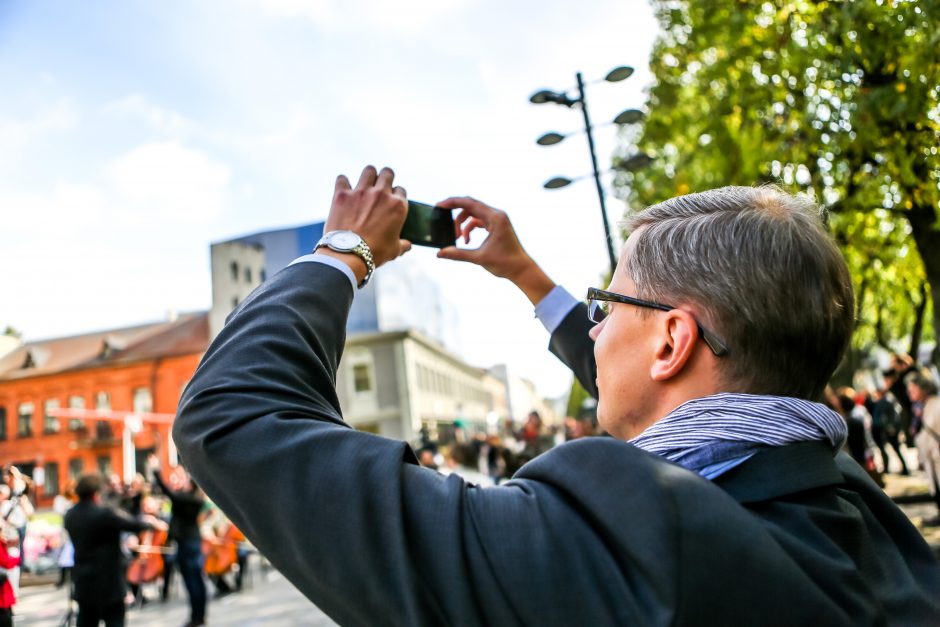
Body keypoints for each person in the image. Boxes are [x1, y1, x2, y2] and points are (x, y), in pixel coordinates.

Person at [173, 167, 940, 625]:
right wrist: (527, 277)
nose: (595, 330)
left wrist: (343, 253)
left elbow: (231, 415)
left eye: (606, 308)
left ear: (672, 341)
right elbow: (658, 390)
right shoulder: (854, 506)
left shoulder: (617, 542)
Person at [63, 474, 155, 627]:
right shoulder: (104, 514)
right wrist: (150, 523)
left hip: (84, 583)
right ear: (95, 493)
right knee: (115, 622)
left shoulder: (70, 515)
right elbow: (134, 524)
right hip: (109, 584)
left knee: (86, 621)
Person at [148, 458, 207, 627]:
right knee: (196, 580)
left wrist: (156, 472)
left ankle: (197, 617)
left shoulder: (188, 499)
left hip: (187, 544)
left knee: (192, 581)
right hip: (191, 542)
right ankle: (199, 616)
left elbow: (168, 492)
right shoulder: (194, 498)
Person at [909, 375, 940, 525]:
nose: (909, 391)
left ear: (924, 389)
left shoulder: (936, 405)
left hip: (937, 455)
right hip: (930, 457)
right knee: (935, 487)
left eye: (913, 388)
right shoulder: (920, 407)